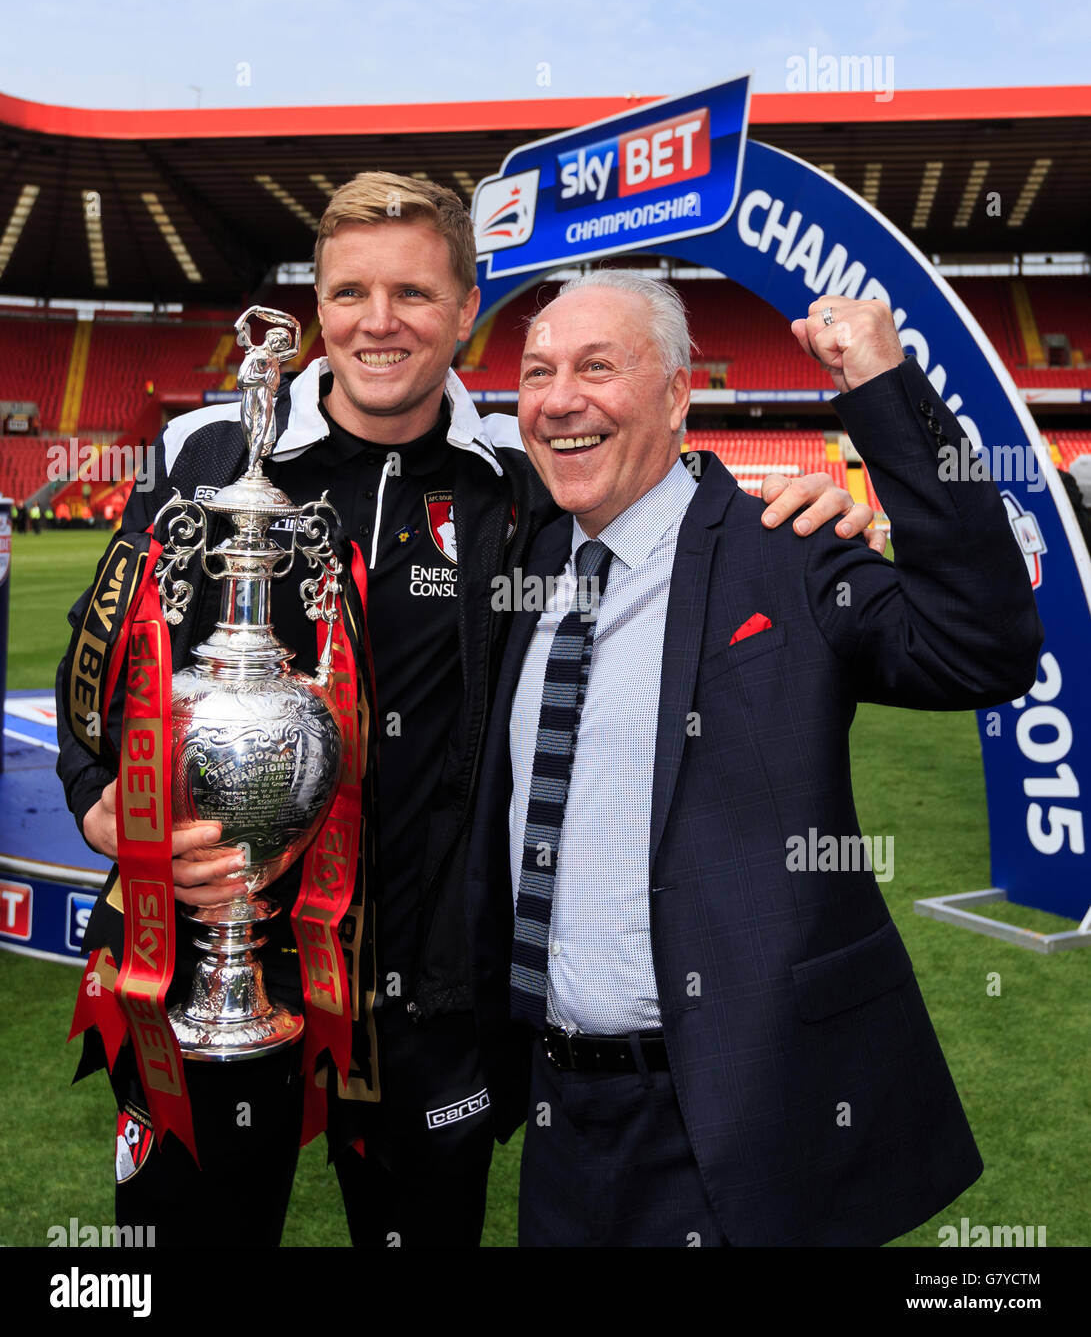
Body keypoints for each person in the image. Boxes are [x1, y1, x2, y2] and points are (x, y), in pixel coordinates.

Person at [56, 174, 883, 1249]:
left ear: (464, 309)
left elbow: (668, 509)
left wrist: (814, 498)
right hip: (215, 958)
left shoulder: (516, 480)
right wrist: (99, 808)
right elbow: (98, 660)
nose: (377, 321)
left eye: (411, 292)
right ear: (318, 304)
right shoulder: (212, 455)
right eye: (349, 291)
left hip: (428, 997)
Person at [466, 271, 1044, 1247]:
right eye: (536, 371)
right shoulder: (524, 565)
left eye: (596, 366)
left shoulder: (787, 549)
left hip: (743, 1117)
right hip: (562, 1125)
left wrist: (881, 388)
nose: (558, 398)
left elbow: (980, 644)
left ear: (677, 393)